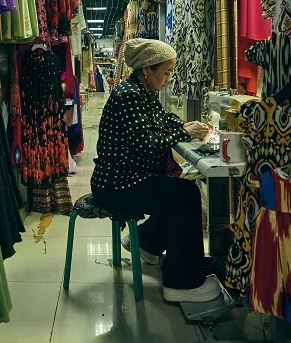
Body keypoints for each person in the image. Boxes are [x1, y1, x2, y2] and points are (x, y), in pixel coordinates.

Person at [90, 38, 220, 302]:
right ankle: (181, 283)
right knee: (183, 195)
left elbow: (162, 119)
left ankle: (148, 243)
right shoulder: (129, 96)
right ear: (148, 69)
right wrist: (182, 132)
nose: (169, 78)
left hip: (128, 178)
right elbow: (146, 145)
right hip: (116, 184)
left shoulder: (142, 94)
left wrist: (186, 124)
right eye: (167, 71)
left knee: (177, 189)